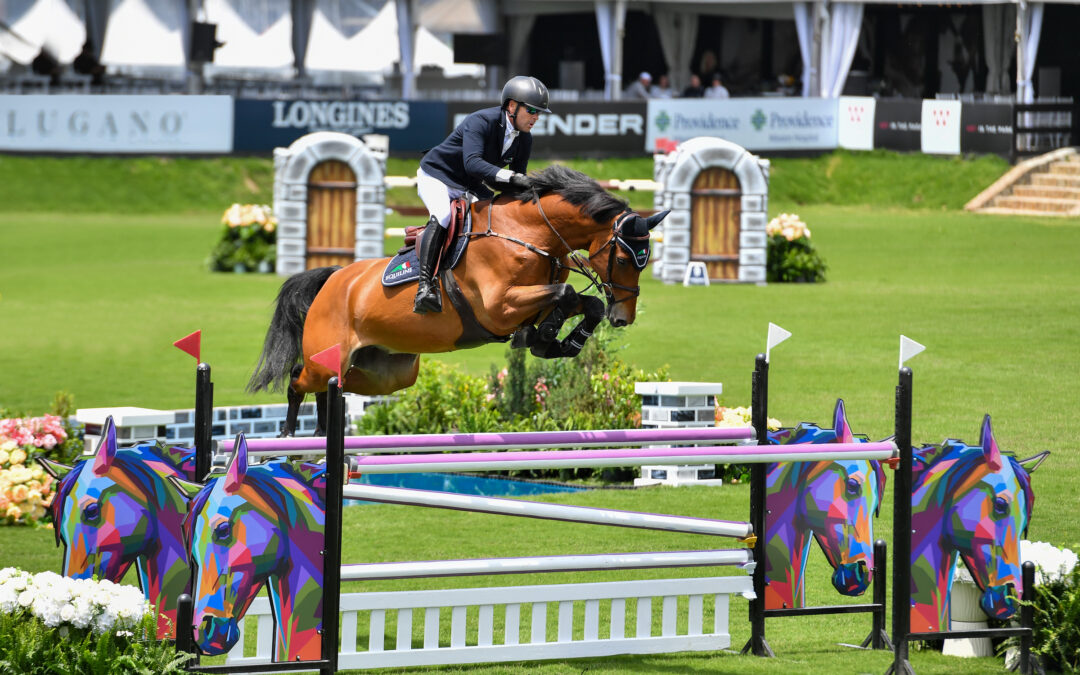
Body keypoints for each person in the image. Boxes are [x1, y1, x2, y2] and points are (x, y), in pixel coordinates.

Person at [412, 75, 550, 314]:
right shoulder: (480, 121)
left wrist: (534, 191)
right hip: (436, 175)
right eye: (531, 110)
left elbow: (515, 182)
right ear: (511, 106)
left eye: (539, 113)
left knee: (494, 221)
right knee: (444, 216)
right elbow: (473, 164)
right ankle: (426, 287)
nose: (535, 117)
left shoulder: (524, 139)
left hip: (470, 184)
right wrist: (511, 178)